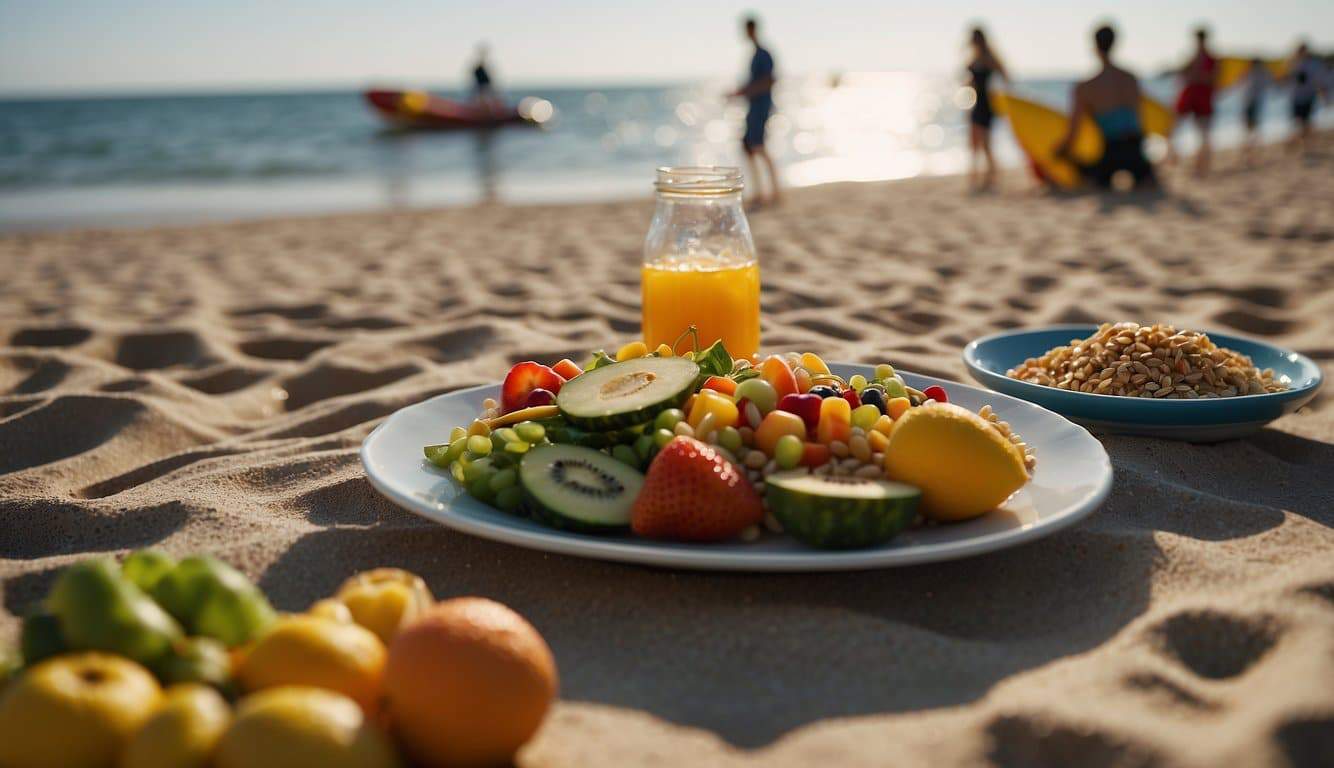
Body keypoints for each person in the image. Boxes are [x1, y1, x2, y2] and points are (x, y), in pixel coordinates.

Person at [1054, 24, 1157, 190]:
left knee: (1083, 169)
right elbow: (1140, 120)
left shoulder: (1086, 87)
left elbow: (1074, 131)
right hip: (1136, 150)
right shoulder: (1131, 79)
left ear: (1094, 47)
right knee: (1146, 181)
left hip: (1109, 152)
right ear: (1115, 44)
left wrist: (1061, 151)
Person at [730, 16, 780, 206]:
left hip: (761, 106)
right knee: (749, 147)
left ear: (753, 30)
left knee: (758, 146)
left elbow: (768, 81)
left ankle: (773, 191)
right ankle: (761, 190)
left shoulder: (763, 54)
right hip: (754, 106)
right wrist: (741, 92)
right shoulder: (755, 54)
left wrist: (744, 91)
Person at [965, 27, 1010, 190]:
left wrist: (1001, 97)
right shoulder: (973, 57)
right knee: (974, 143)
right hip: (976, 104)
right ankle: (975, 177)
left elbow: (1006, 76)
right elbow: (971, 81)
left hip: (986, 104)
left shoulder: (988, 57)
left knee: (986, 144)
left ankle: (991, 177)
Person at [1173, 27, 1217, 176]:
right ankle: (1194, 164)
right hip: (1193, 97)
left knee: (1203, 135)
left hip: (1202, 98)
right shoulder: (1194, 59)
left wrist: (1194, 75)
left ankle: (1202, 167)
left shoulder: (1209, 59)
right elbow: (1182, 76)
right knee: (1179, 130)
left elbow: (1212, 79)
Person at [1287, 42, 1328, 152]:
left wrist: (1323, 94)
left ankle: (1306, 144)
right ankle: (1302, 142)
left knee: (1306, 121)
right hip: (1296, 96)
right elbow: (1288, 78)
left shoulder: (1314, 64)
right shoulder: (1293, 62)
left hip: (1308, 96)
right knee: (1298, 121)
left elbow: (1320, 80)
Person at [1242, 57, 1269, 165]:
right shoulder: (1262, 73)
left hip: (1252, 103)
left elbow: (1241, 84)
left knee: (1251, 129)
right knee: (1253, 129)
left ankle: (1252, 152)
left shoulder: (1255, 72)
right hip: (1254, 103)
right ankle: (1252, 152)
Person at [471, 44, 500, 113]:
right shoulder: (478, 69)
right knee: (482, 101)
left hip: (484, 89)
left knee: (487, 101)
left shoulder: (482, 68)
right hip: (481, 89)